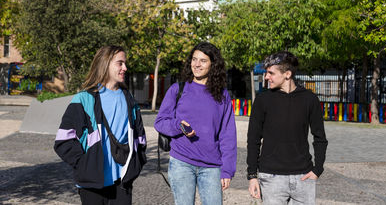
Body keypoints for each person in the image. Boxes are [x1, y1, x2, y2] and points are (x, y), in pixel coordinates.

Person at [54, 45, 146, 205]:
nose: (125, 67)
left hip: (122, 182)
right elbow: (63, 141)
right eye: (120, 63)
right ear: (106, 63)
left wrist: (135, 165)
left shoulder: (129, 99)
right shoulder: (83, 99)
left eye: (125, 63)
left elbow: (140, 138)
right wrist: (85, 164)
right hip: (92, 185)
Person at [154, 42, 237, 205]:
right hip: (181, 162)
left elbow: (228, 134)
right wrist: (179, 126)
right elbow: (160, 122)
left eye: (203, 61)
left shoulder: (222, 95)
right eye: (194, 59)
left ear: (213, 65)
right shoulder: (177, 89)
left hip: (212, 166)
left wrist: (227, 169)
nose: (196, 64)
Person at [247, 51, 328, 205]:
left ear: (287, 74)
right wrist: (252, 176)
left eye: (271, 73)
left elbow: (320, 138)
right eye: (266, 73)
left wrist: (318, 169)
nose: (266, 77)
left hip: (304, 177)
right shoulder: (262, 100)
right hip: (271, 178)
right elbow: (253, 140)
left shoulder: (310, 99)